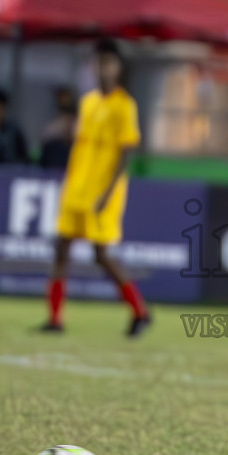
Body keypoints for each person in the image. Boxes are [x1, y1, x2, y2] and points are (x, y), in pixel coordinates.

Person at [42, 39, 149, 337]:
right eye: (98, 63)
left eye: (109, 63)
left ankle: (140, 311)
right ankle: (55, 319)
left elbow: (126, 153)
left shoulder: (124, 105)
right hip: (76, 186)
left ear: (119, 68)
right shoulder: (88, 102)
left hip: (103, 191)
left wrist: (108, 193)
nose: (103, 69)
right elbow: (78, 141)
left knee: (101, 255)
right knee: (61, 248)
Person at [38, 87, 78, 168]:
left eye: (70, 119)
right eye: (65, 119)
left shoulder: (81, 145)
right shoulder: (51, 140)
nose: (68, 124)